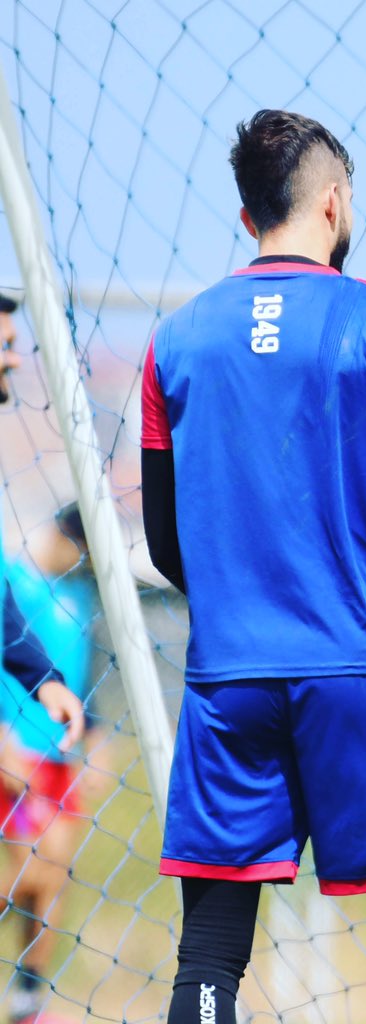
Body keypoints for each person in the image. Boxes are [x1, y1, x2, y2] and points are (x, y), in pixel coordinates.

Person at [139, 110, 366, 1024]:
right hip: (357, 669)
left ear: (252, 213)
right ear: (333, 204)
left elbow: (169, 547)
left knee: (210, 953)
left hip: (229, 676)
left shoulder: (174, 341)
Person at [1, 290, 87, 1024]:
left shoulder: (77, 603)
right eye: (4, 340)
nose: (14, 353)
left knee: (50, 874)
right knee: (27, 873)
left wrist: (50, 683)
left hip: (51, 751)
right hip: (12, 748)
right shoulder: (27, 578)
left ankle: (29, 995)